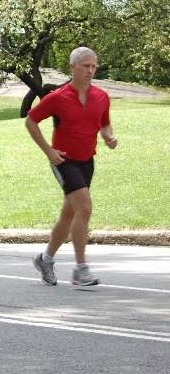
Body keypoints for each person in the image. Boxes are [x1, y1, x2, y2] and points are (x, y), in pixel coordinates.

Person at [26, 46, 117, 287]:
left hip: (88, 160)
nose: (90, 70)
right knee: (84, 208)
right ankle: (80, 269)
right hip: (64, 161)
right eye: (85, 66)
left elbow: (105, 123)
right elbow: (31, 120)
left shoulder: (101, 97)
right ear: (72, 67)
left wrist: (109, 136)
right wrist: (49, 150)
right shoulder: (57, 97)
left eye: (93, 66)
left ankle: (45, 259)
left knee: (69, 214)